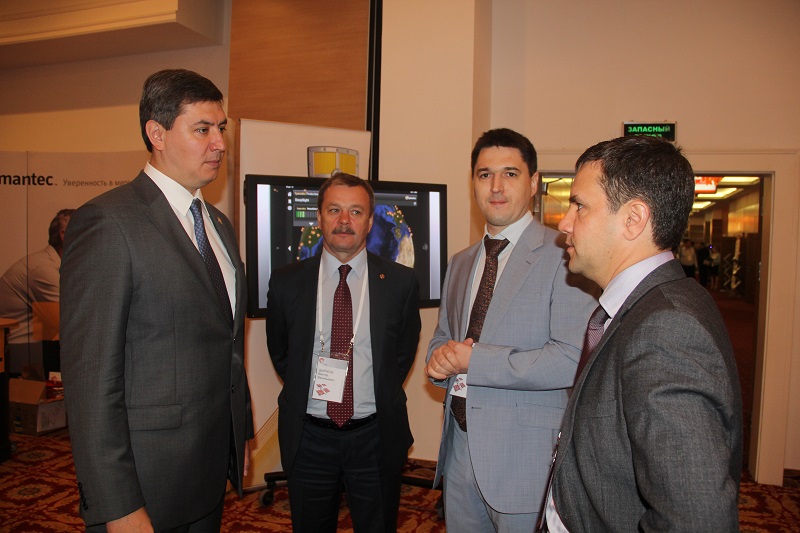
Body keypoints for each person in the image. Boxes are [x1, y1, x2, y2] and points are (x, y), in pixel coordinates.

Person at [60, 69, 253, 532]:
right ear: (157, 133)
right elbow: (90, 381)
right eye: (202, 129)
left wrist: (240, 432)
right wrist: (116, 504)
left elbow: (226, 344)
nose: (219, 144)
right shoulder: (108, 222)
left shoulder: (219, 225)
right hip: (146, 480)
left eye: (221, 128)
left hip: (210, 469)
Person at [546, 135, 742, 531]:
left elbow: (696, 520)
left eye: (580, 206)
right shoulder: (660, 302)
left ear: (633, 219)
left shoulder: (666, 327)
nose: (564, 223)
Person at [424, 128, 597, 531]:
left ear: (533, 183)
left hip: (525, 459)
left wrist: (474, 361)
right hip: (460, 452)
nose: (496, 186)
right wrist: (439, 359)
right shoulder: (461, 262)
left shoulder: (566, 255)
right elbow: (444, 335)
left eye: (510, 174)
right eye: (485, 175)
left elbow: (570, 359)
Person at [266, 172, 421, 532]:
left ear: (370, 220)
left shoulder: (400, 282)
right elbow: (281, 353)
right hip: (308, 439)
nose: (344, 221)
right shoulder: (286, 281)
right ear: (319, 217)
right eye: (334, 210)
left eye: (356, 211)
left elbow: (400, 356)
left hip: (375, 437)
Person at [0, 208, 73, 376]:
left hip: (28, 348)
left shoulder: (53, 264)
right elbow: (67, 321)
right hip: (17, 353)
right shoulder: (43, 269)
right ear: (64, 235)